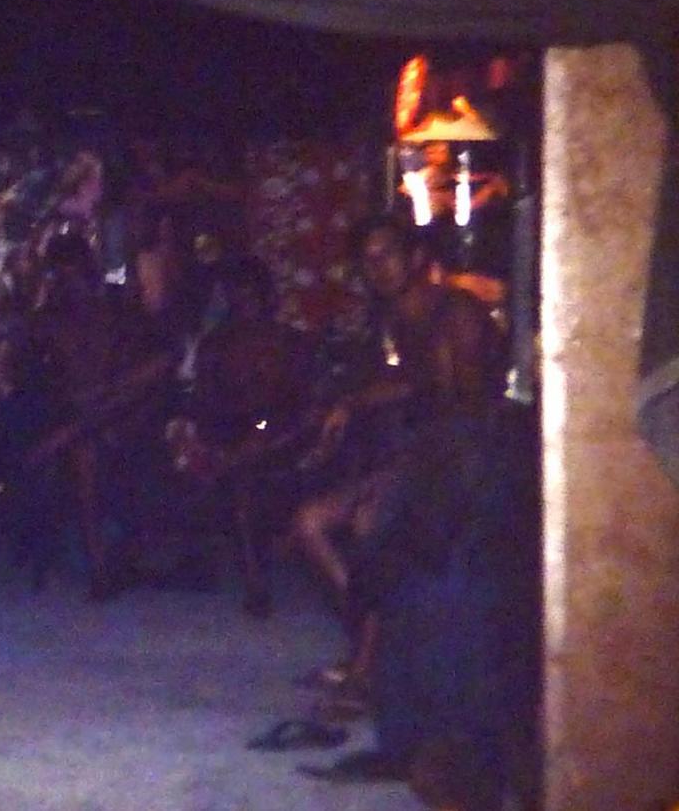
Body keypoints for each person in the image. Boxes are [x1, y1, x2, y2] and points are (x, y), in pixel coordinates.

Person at [290, 213, 504, 731]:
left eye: (386, 255)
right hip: (417, 455)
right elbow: (412, 382)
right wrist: (350, 404)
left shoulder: (456, 311)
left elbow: (471, 409)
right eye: (367, 260)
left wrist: (403, 474)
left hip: (464, 460)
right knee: (309, 523)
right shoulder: (399, 318)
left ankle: (368, 672)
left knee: (371, 525)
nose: (376, 268)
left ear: (416, 257)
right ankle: (379, 640)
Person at [19, 232, 174, 600]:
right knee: (81, 453)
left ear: (89, 272)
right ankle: (98, 565)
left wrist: (112, 391)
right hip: (76, 419)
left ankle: (121, 556)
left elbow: (163, 359)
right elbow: (30, 381)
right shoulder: (47, 323)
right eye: (60, 277)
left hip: (123, 415)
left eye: (74, 275)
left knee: (91, 438)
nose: (70, 286)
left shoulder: (120, 313)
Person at [170, 255, 317, 617]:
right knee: (230, 468)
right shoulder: (215, 346)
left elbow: (306, 406)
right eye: (237, 298)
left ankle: (255, 584)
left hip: (284, 434)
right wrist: (198, 438)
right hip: (231, 434)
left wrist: (263, 430)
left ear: (267, 298)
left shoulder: (292, 344)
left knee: (247, 462)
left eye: (251, 297)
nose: (244, 307)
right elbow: (204, 404)